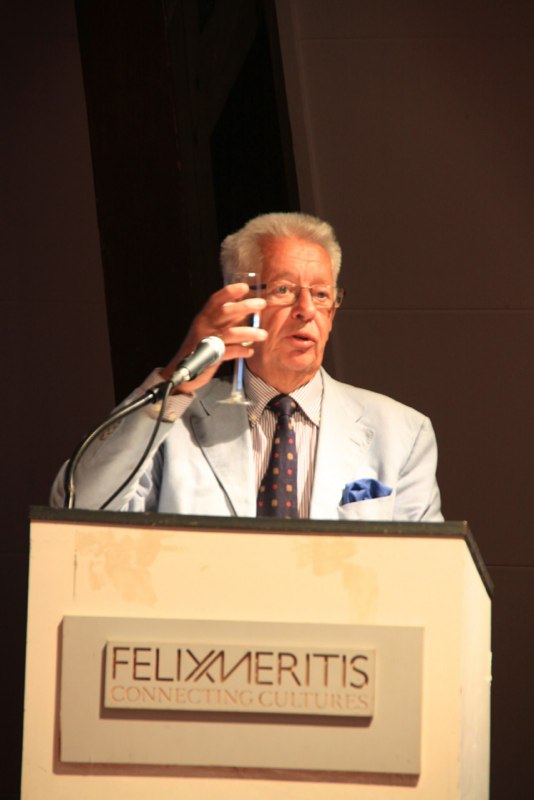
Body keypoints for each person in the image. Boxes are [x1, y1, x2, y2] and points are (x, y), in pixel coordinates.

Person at [50, 212, 442, 521]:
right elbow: (77, 510)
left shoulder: (403, 432)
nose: (306, 310)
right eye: (284, 290)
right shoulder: (171, 424)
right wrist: (176, 382)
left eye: (322, 294)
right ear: (237, 304)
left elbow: (426, 572)